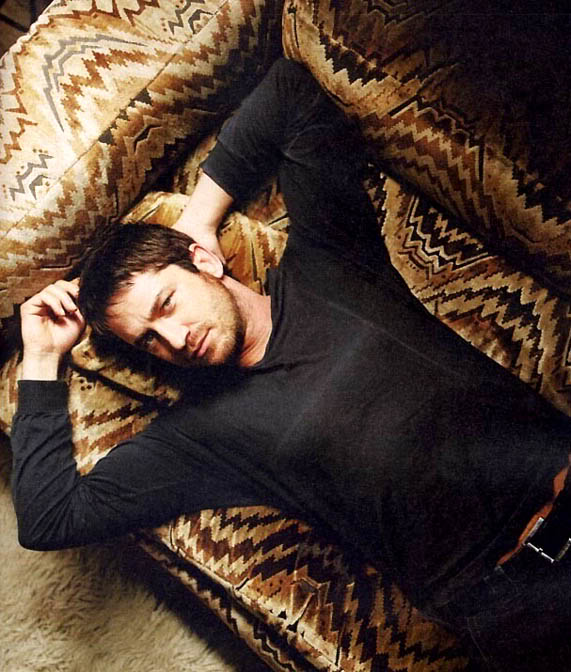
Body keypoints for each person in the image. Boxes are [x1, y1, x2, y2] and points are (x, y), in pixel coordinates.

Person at [11, 58, 571, 671]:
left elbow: (291, 92)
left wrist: (198, 219)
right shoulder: (203, 435)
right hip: (515, 600)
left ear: (204, 264)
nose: (173, 338)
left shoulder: (328, 262)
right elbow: (50, 519)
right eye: (148, 341)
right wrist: (42, 356)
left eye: (166, 303)